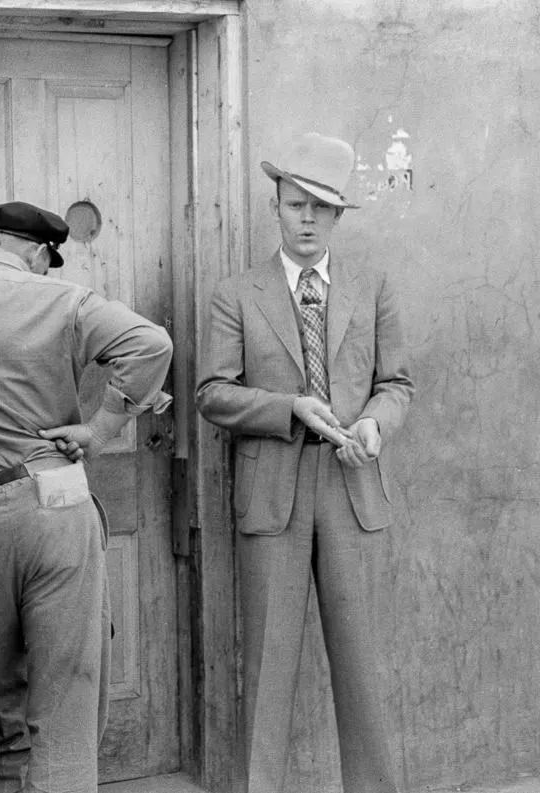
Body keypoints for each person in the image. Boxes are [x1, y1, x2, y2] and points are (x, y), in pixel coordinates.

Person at [0, 202, 174, 793]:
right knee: (68, 696)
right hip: (59, 505)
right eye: (45, 262)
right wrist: (101, 430)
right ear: (34, 252)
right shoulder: (64, 300)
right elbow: (151, 345)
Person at [196, 133, 413, 793]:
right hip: (273, 492)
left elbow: (396, 382)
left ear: (340, 215)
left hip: (351, 486)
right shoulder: (237, 293)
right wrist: (290, 407)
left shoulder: (372, 286)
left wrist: (374, 424)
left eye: (322, 207)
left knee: (364, 665)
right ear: (276, 207)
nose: (309, 219)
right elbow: (212, 392)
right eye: (297, 205)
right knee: (267, 668)